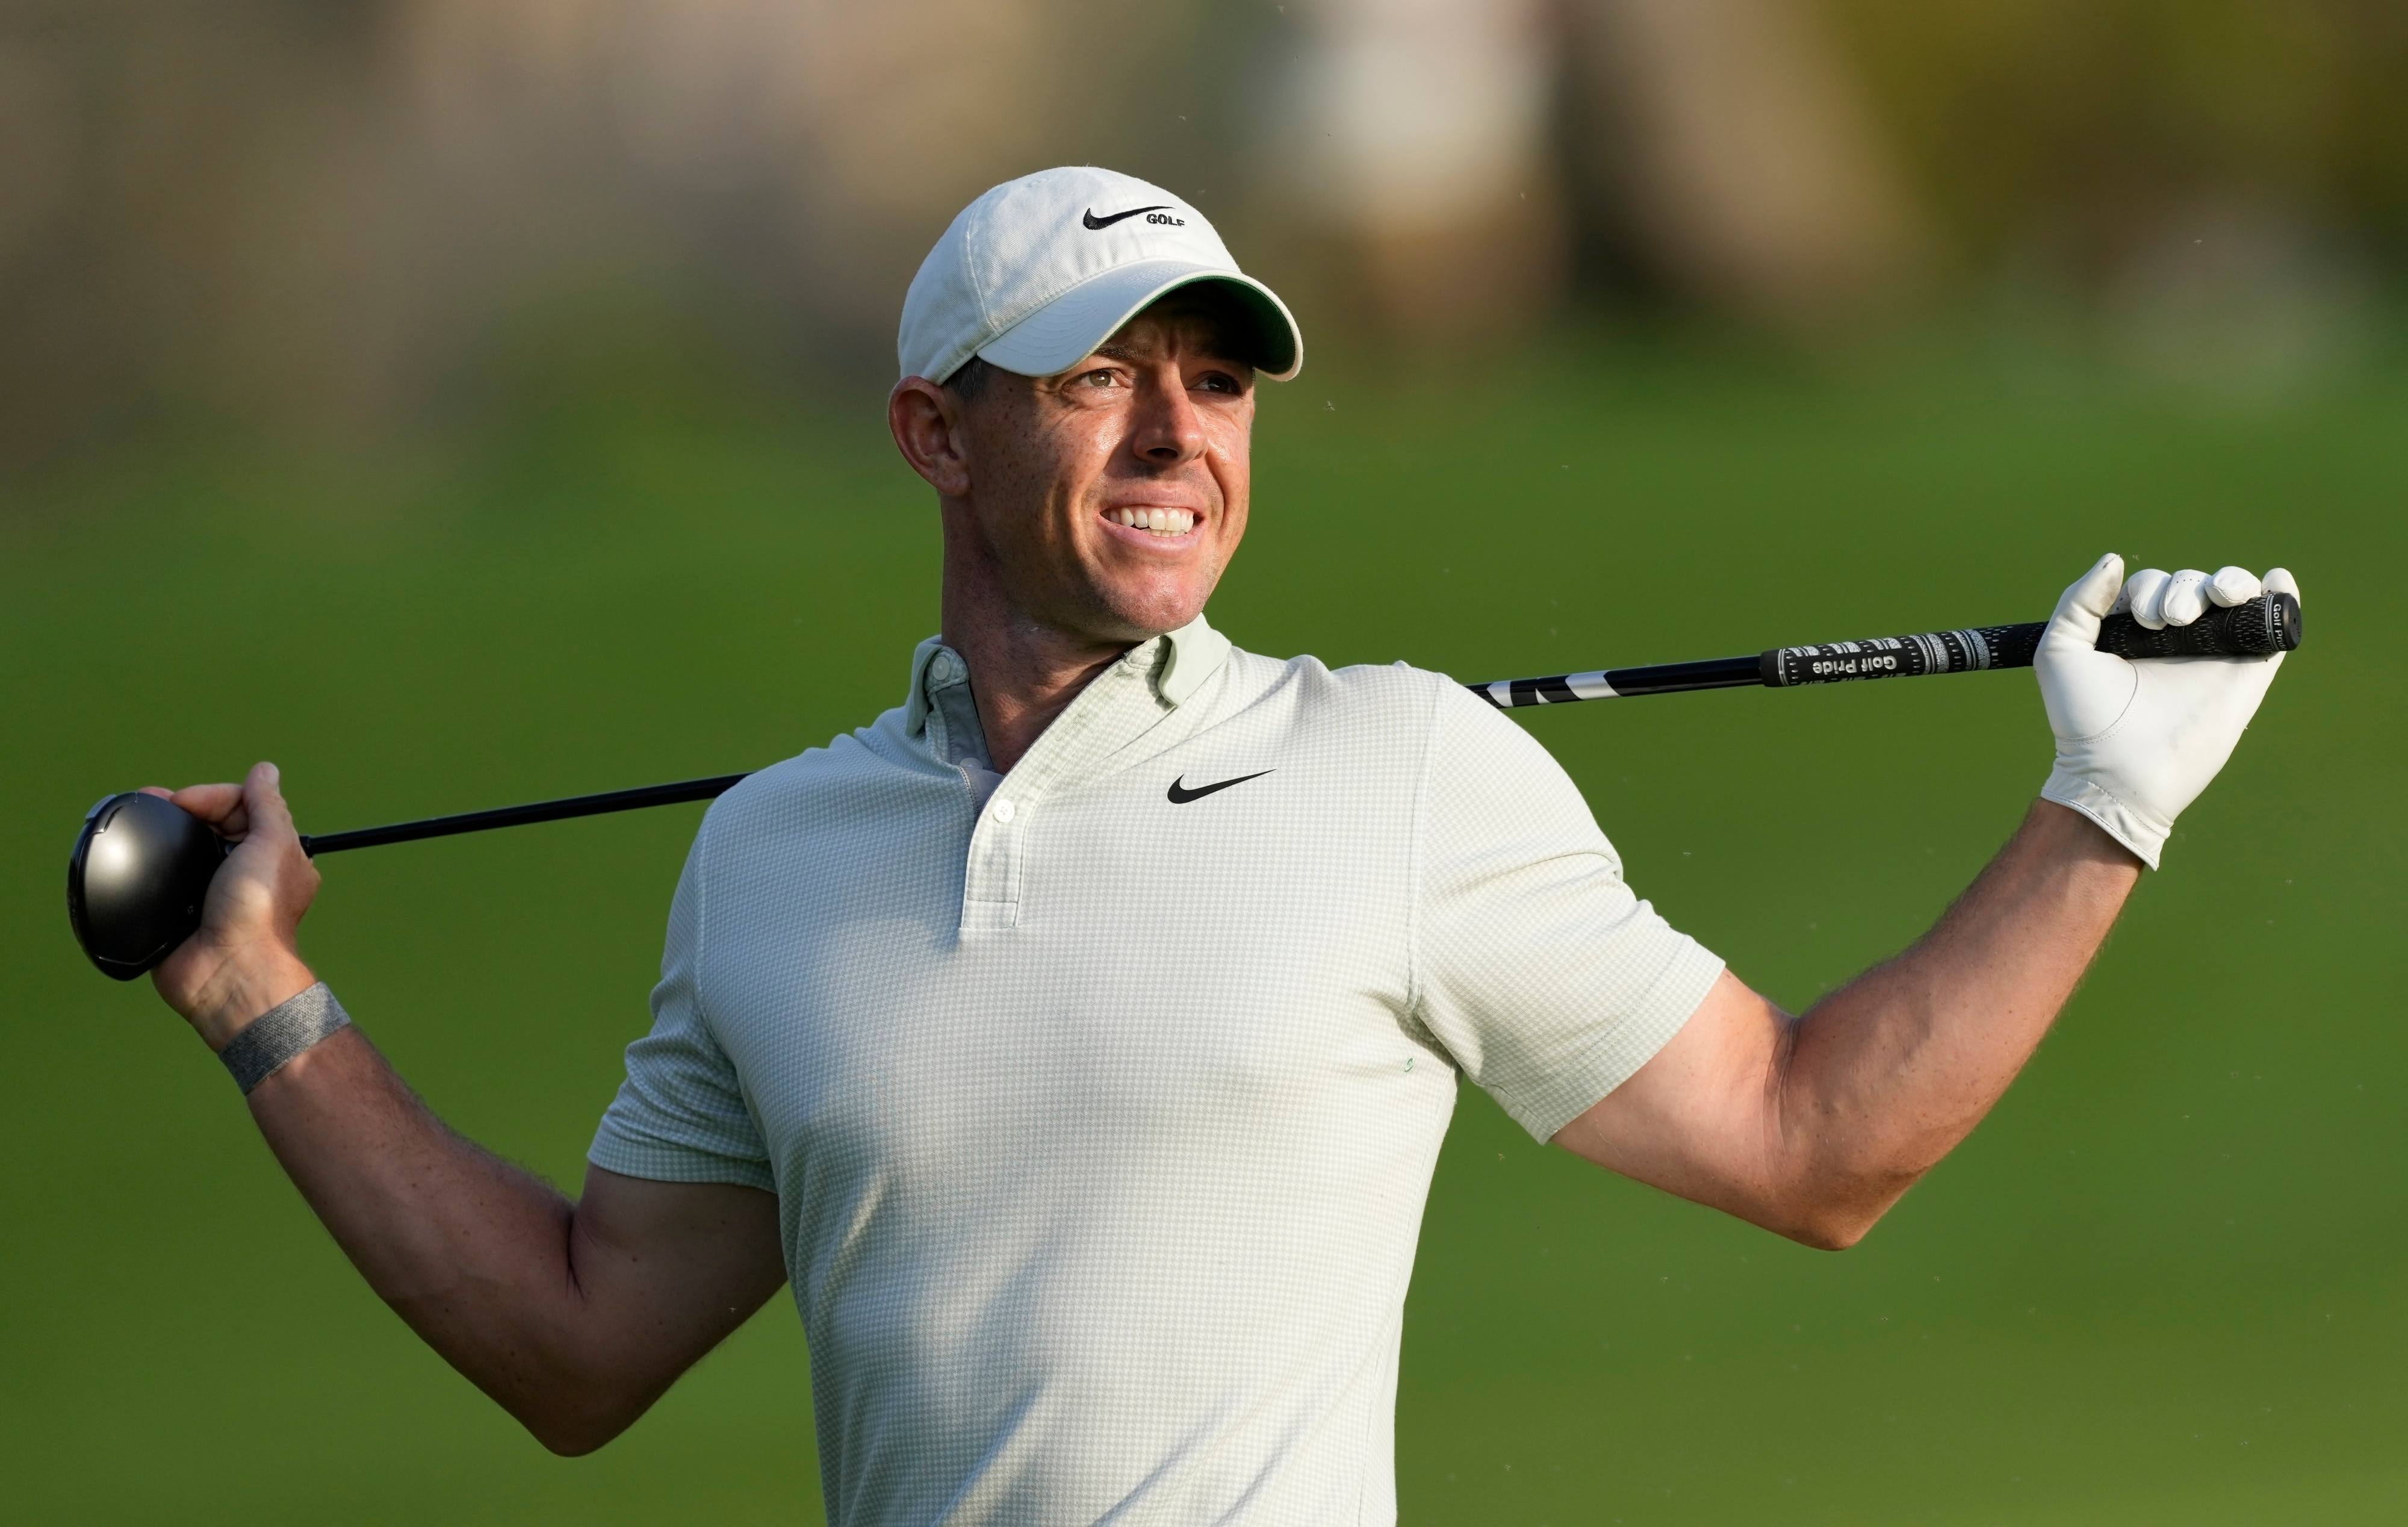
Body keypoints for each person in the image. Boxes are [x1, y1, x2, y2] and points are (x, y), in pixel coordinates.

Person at [149, 167, 2296, 1525]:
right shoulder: (773, 862)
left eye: (1219, 382)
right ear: (936, 433)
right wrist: (257, 997)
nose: (1181, 434)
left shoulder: (1404, 774)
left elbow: (1813, 1145)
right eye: (1099, 378)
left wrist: (2106, 808)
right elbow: (579, 1348)